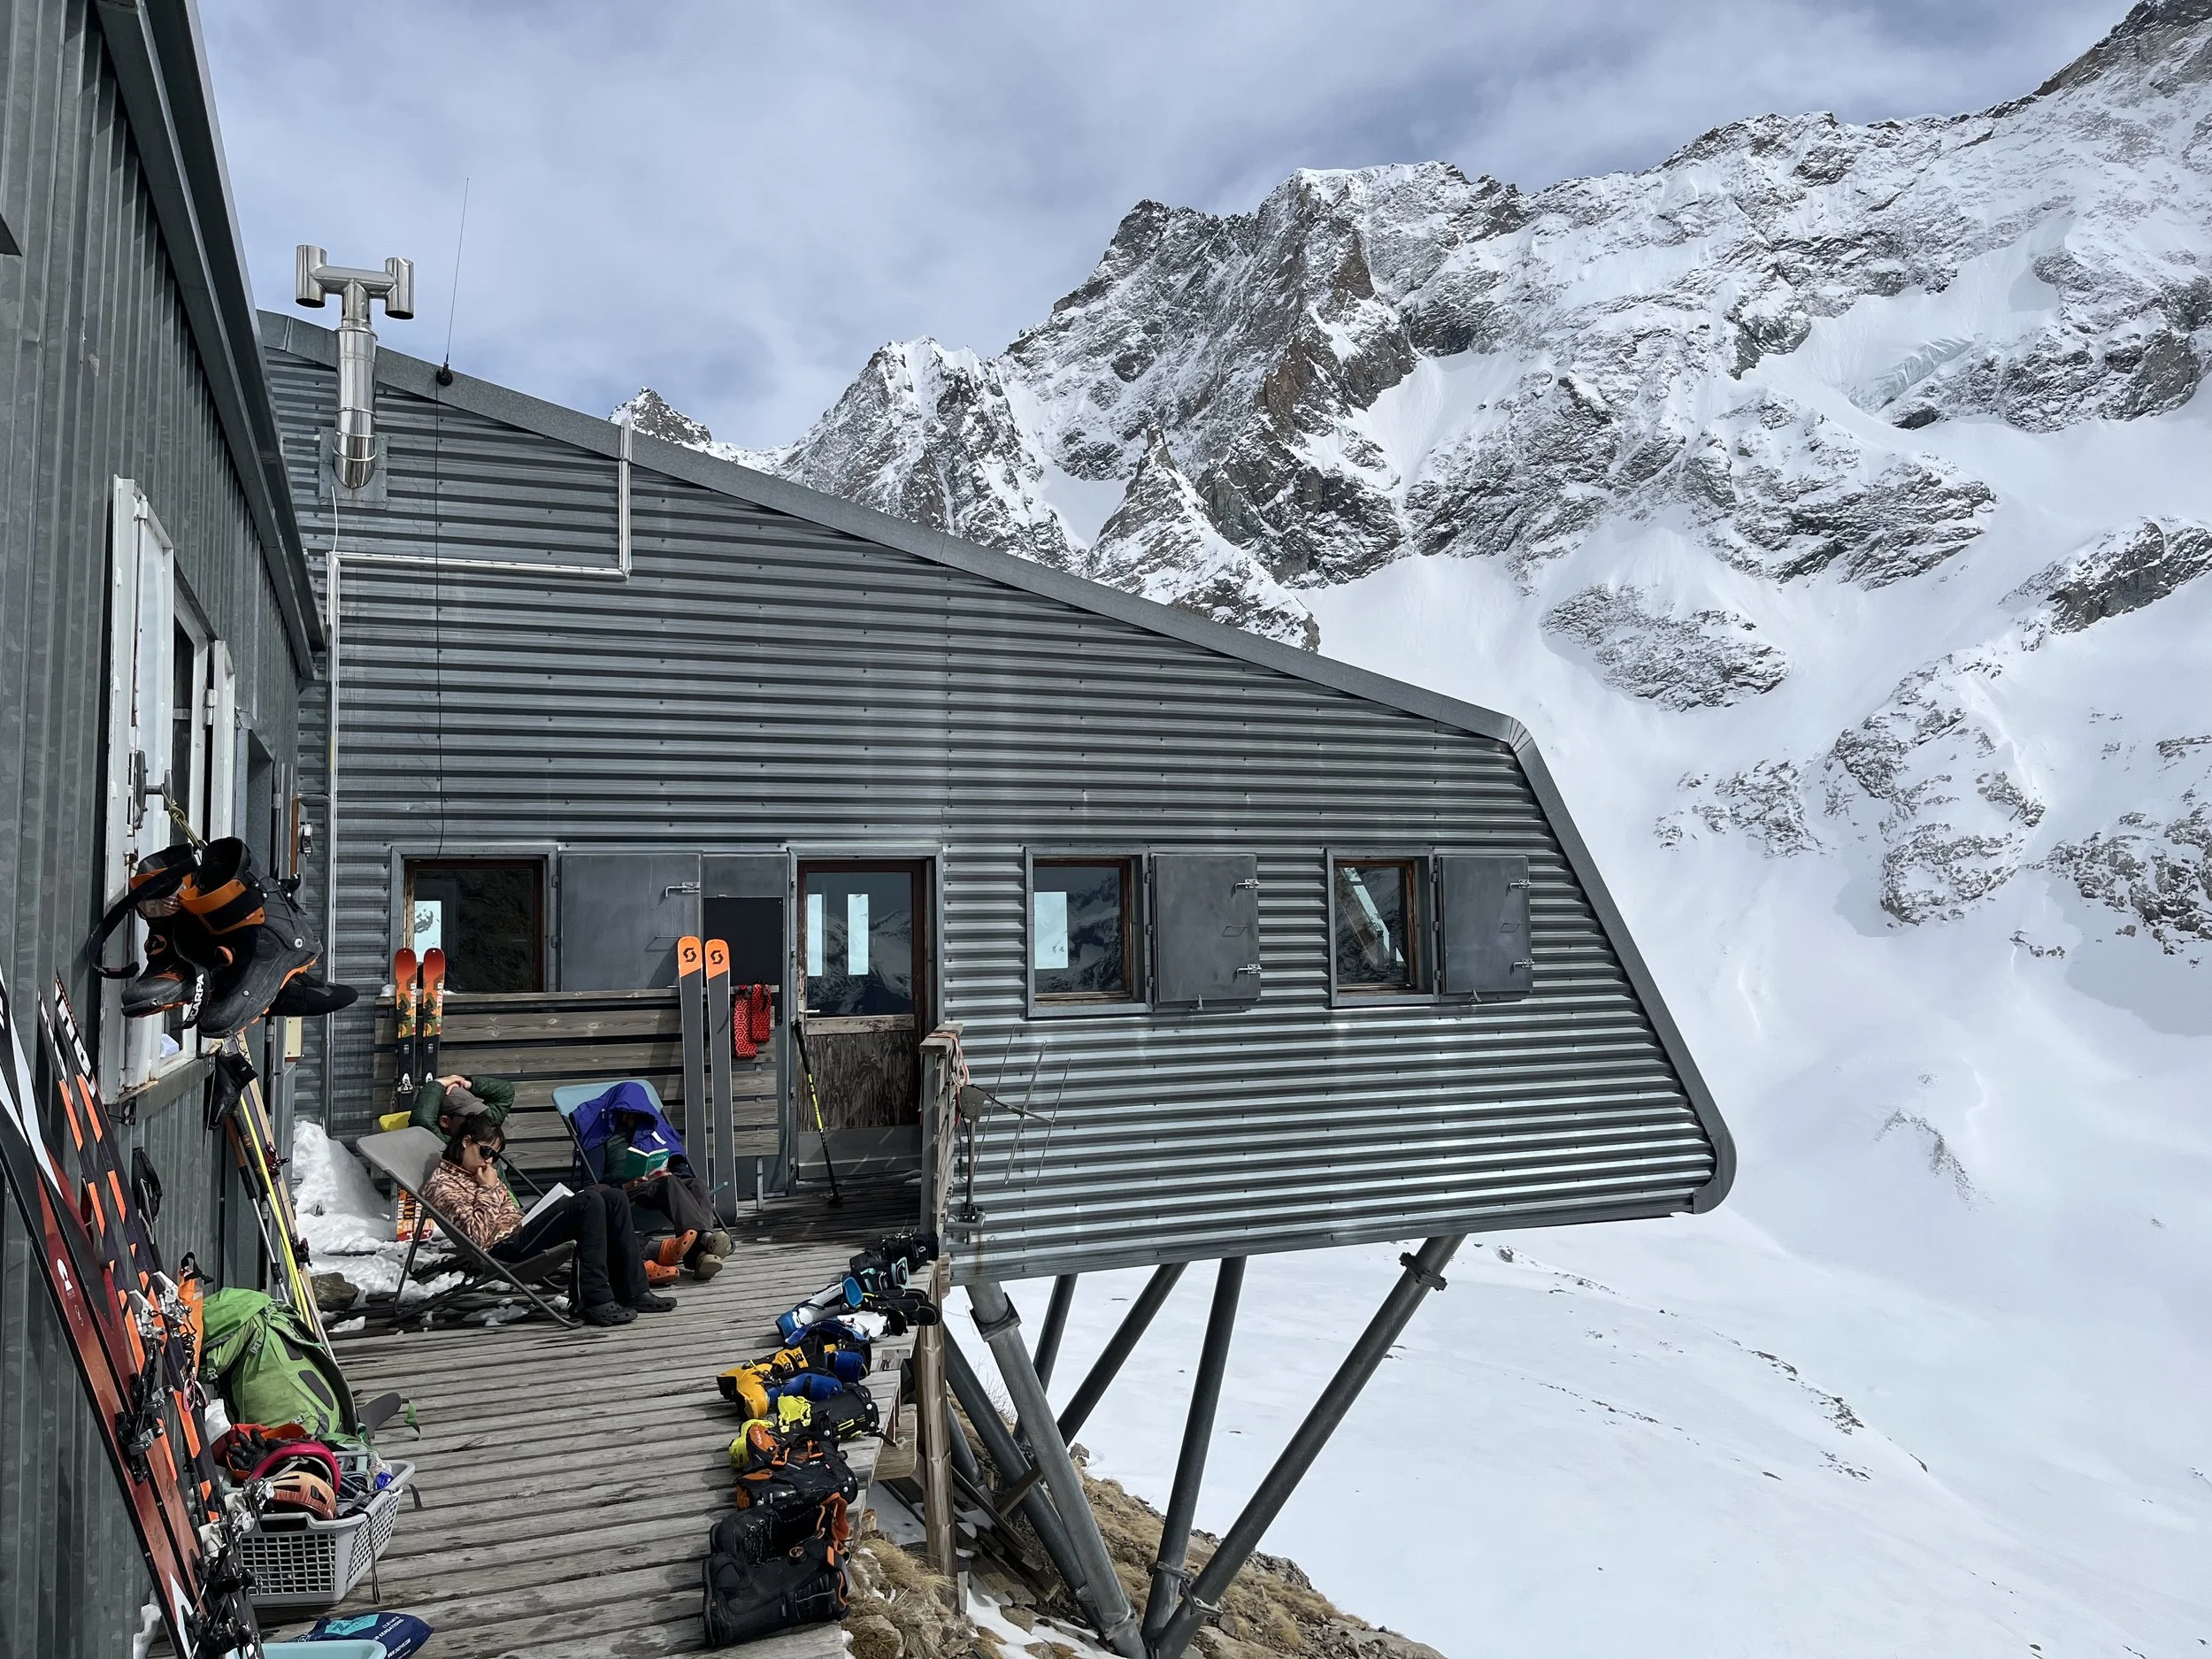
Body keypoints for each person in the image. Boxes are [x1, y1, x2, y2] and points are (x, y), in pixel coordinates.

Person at [420, 1113, 676, 1328]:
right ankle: (592, 1299)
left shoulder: (478, 1173)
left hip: (521, 1231)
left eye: (494, 1156)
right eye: (486, 1151)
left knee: (613, 1195)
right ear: (466, 1141)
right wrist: (488, 1189)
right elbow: (478, 1237)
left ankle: (633, 1290)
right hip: (504, 1249)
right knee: (589, 1202)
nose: (489, 1161)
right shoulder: (443, 1185)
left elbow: (509, 1210)